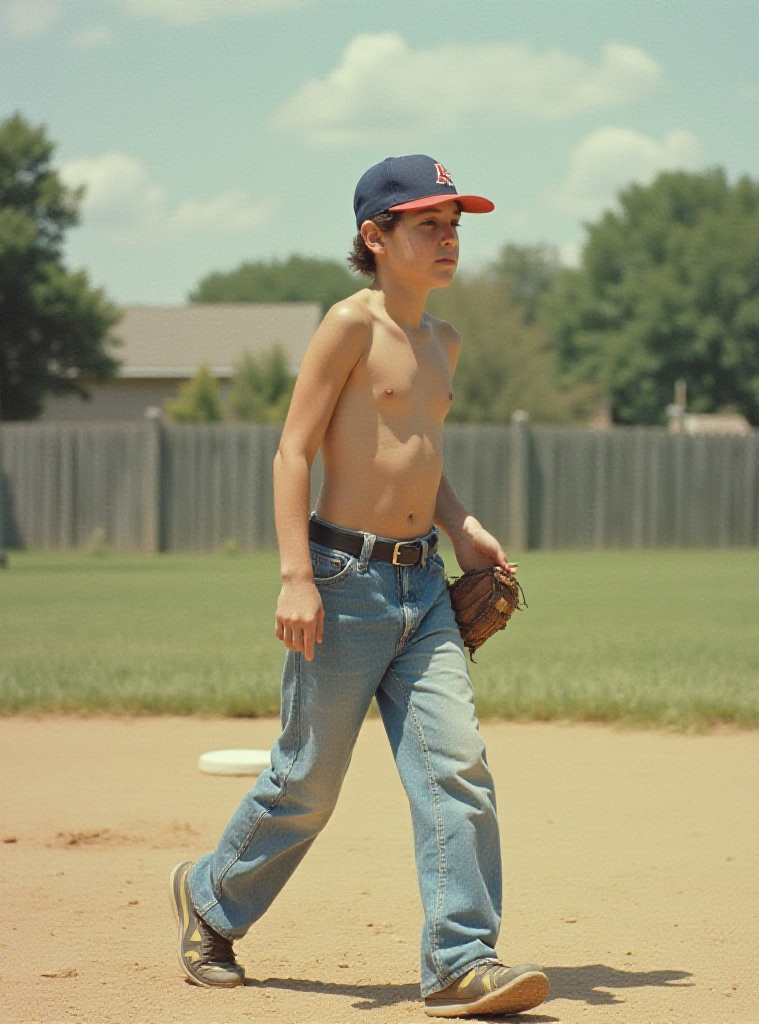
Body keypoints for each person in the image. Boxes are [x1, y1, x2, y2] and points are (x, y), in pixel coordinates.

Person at [169, 154, 549, 1018]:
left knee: (459, 771)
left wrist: (463, 526)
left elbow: (421, 456)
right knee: (307, 783)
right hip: (341, 582)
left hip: (424, 591)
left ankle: (461, 960)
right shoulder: (349, 325)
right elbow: (292, 450)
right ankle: (207, 899)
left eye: (455, 225)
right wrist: (296, 575)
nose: (448, 239)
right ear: (375, 237)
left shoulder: (444, 341)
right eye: (429, 224)